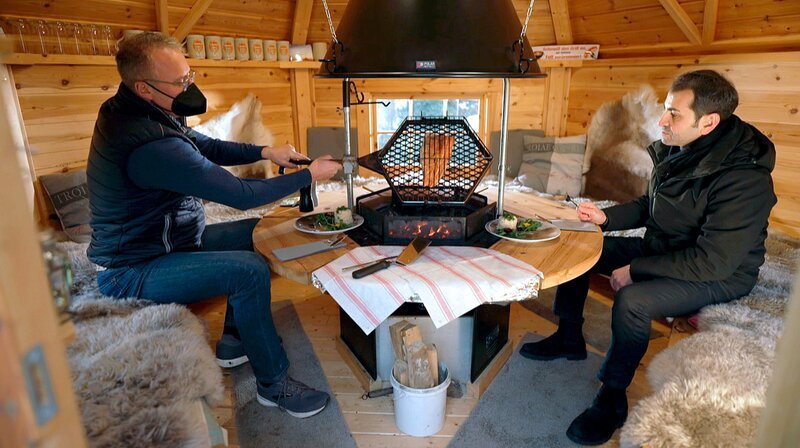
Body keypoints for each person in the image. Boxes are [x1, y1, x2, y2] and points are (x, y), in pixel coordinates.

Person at [86, 32, 342, 419]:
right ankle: (274, 385)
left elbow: (207, 145)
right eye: (181, 83)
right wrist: (309, 176)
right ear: (145, 87)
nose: (190, 87)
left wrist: (267, 151)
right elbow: (240, 194)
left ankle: (234, 341)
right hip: (132, 270)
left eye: (190, 75)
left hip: (167, 243)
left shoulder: (142, 111)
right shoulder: (148, 144)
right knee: (249, 271)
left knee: (257, 233)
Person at [519, 70, 776, 445]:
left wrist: (636, 269)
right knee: (584, 249)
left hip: (720, 272)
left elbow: (713, 261)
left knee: (633, 299)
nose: (661, 120)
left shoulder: (744, 180)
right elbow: (651, 205)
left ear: (709, 122)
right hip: (667, 248)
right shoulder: (681, 149)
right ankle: (568, 336)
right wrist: (606, 218)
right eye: (666, 109)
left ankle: (611, 398)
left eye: (674, 113)